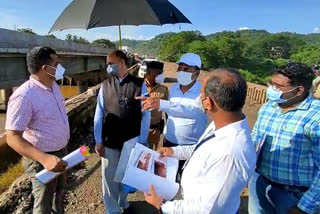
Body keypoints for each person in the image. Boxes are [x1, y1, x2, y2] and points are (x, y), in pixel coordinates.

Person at [144, 68, 256, 214]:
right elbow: (202, 149)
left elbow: (206, 209)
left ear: (208, 103)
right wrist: (174, 151)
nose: (199, 100)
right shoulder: (221, 124)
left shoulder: (230, 153)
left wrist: (161, 206)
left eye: (201, 96)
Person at [249, 63, 320, 214]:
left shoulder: (315, 117)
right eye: (271, 84)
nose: (271, 89)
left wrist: (305, 206)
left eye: (278, 86)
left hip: (294, 195)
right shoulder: (269, 107)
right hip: (260, 183)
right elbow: (255, 139)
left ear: (299, 90)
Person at [5, 46, 69, 214]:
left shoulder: (53, 86)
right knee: (43, 204)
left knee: (59, 195)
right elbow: (12, 137)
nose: (60, 67)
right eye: (57, 63)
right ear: (45, 68)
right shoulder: (24, 96)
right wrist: (44, 158)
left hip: (61, 152)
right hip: (41, 160)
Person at [94, 50, 150, 214]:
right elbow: (99, 113)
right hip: (110, 139)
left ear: (122, 63)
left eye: (111, 63)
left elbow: (145, 114)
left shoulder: (140, 85)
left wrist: (142, 139)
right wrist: (98, 140)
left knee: (125, 174)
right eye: (107, 64)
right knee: (109, 176)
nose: (108, 67)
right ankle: (112, 209)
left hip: (132, 140)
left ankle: (123, 201)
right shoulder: (105, 86)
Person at [137, 53, 207, 178]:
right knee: (166, 178)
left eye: (186, 69)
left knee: (188, 180)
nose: (181, 71)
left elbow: (194, 112)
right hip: (169, 142)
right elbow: (169, 114)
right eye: (179, 68)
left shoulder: (203, 92)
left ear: (196, 72)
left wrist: (163, 104)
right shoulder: (173, 89)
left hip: (191, 146)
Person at [142, 61, 168, 150]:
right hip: (139, 130)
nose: (161, 75)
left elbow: (168, 112)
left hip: (154, 132)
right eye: (159, 73)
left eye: (162, 73)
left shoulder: (164, 90)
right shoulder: (138, 86)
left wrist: (166, 132)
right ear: (149, 72)